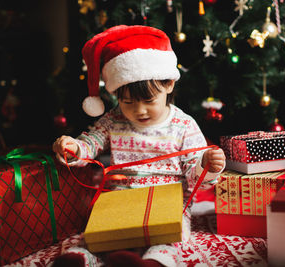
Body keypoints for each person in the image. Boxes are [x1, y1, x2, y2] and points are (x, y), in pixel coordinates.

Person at [52, 25, 226, 267]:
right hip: (121, 198)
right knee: (99, 237)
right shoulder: (114, 119)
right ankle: (81, 260)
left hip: (168, 203)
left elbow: (197, 179)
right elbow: (91, 143)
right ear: (117, 97)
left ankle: (152, 263)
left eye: (148, 100)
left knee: (168, 240)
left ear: (168, 85)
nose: (139, 110)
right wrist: (74, 148)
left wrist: (208, 165)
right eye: (128, 102)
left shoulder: (183, 125)